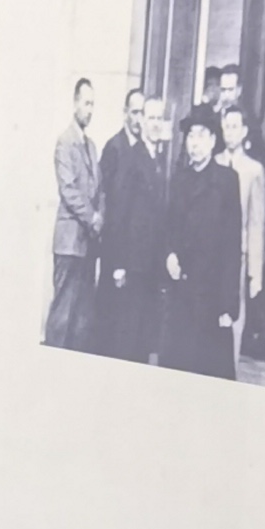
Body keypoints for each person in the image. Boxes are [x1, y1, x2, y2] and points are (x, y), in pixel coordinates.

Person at [159, 108, 246, 377]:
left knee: (209, 373)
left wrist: (227, 306)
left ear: (212, 141)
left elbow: (232, 247)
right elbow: (169, 228)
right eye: (190, 136)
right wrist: (169, 255)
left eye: (201, 136)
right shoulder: (180, 179)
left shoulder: (226, 180)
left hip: (211, 299)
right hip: (181, 295)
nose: (195, 143)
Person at [92, 88, 170, 363]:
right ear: (142, 121)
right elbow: (118, 213)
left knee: (141, 344)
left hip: (149, 269)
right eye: (151, 118)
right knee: (126, 341)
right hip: (131, 267)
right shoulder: (131, 156)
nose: (156, 124)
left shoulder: (158, 160)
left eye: (160, 118)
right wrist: (118, 264)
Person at [47, 79, 103, 350]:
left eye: (93, 104)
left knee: (82, 321)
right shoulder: (65, 142)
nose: (89, 110)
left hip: (87, 245)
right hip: (69, 244)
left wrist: (100, 217)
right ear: (74, 103)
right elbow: (68, 190)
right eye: (86, 103)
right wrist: (93, 218)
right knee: (62, 317)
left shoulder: (91, 146)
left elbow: (99, 189)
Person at [219, 105, 265, 367]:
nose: (230, 132)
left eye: (235, 127)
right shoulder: (213, 161)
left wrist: (255, 272)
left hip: (237, 255)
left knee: (234, 317)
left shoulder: (253, 170)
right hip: (211, 254)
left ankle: (232, 369)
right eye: (227, 126)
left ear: (244, 131)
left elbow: (256, 223)